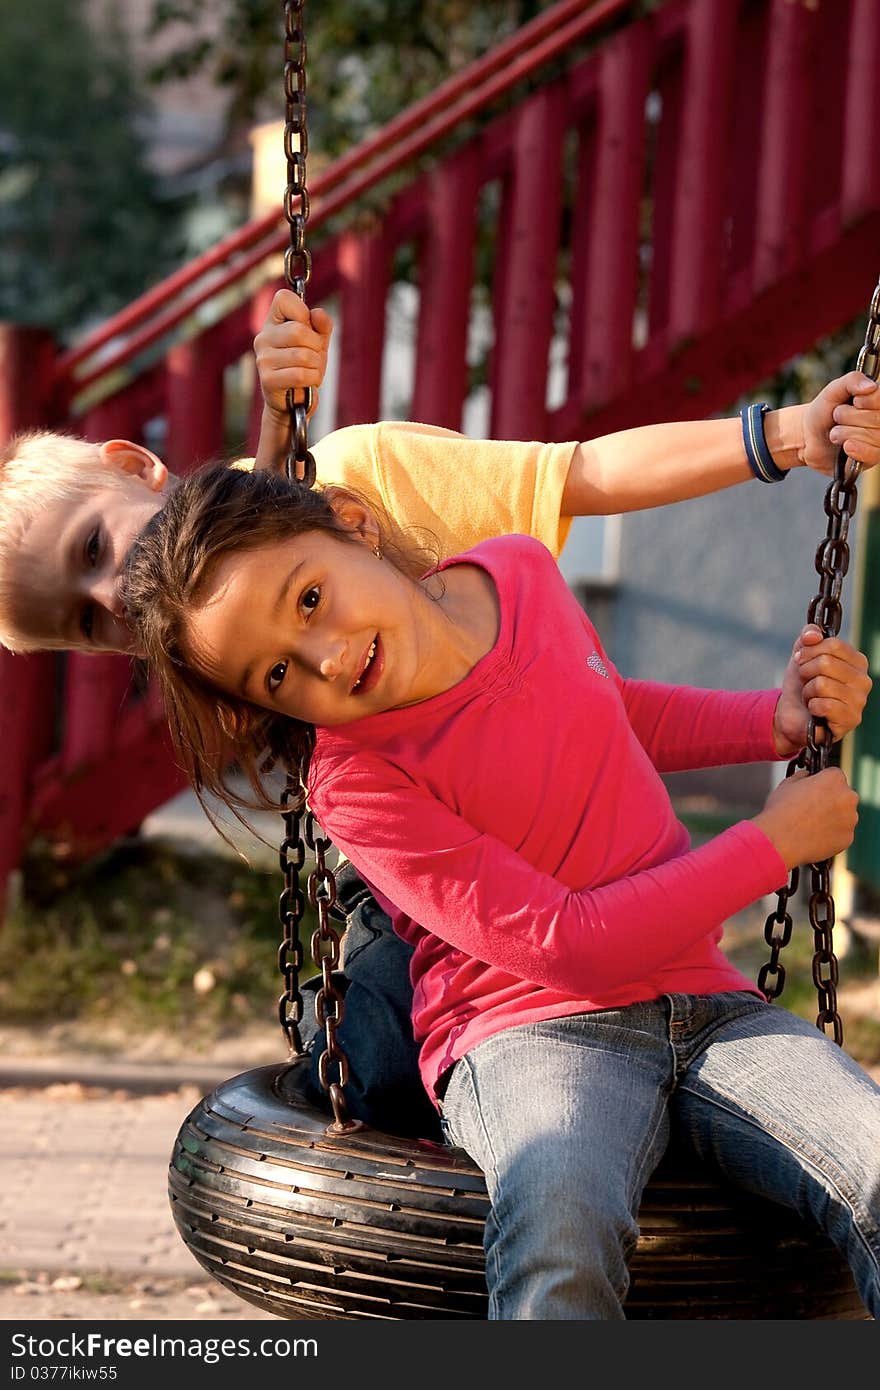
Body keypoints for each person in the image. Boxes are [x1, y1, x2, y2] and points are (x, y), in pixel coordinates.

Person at [3, 290, 880, 1135]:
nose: (110, 591)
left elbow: (585, 473)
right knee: (368, 1066)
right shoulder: (203, 672)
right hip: (423, 887)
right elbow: (257, 632)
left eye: (91, 546)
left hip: (574, 835)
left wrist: (783, 436)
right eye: (83, 620)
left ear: (133, 463)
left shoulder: (360, 475)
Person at [120, 460, 879, 1320]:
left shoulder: (519, 573)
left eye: (308, 599)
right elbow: (567, 944)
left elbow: (604, 707)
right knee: (560, 1221)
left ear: (351, 524)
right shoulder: (356, 780)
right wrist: (769, 846)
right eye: (278, 677)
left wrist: (766, 721)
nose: (326, 656)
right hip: (530, 1033)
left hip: (709, 1005)